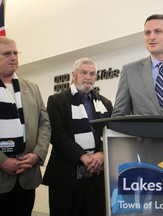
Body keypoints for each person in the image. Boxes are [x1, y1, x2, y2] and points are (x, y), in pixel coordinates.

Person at [42, 58, 112, 216]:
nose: (88, 77)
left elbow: (109, 133)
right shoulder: (57, 101)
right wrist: (83, 156)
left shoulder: (105, 103)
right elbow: (57, 135)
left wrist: (101, 154)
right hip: (65, 178)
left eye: (92, 74)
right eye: (84, 73)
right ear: (73, 75)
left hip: (96, 177)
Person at [0, 36, 51, 216]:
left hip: (27, 176)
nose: (13, 57)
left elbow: (45, 124)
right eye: (7, 54)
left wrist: (36, 154)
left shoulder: (32, 88)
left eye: (15, 53)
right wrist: (2, 161)